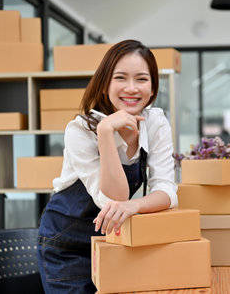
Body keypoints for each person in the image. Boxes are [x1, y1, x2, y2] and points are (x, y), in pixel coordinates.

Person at [36, 39, 178, 294]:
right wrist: (104, 131)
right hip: (66, 246)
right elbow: (114, 198)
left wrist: (135, 206)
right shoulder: (80, 130)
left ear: (153, 87)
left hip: (114, 240)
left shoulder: (155, 122)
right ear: (104, 85)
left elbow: (167, 191)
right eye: (121, 78)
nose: (132, 89)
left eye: (142, 79)